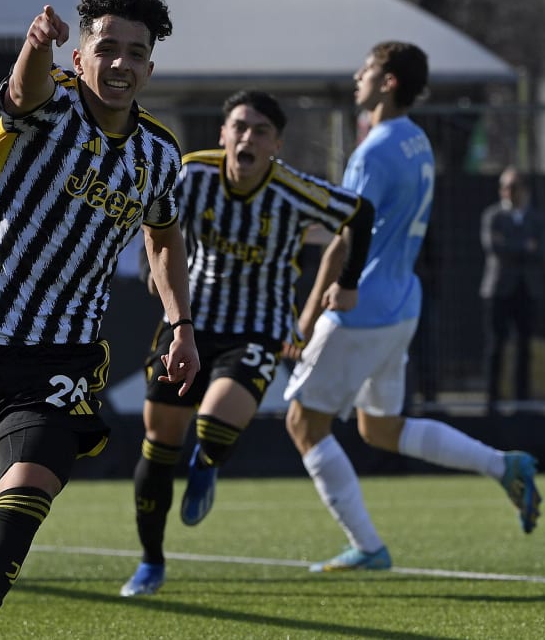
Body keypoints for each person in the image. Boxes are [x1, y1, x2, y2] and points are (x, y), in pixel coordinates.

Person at [0, 0, 199, 639]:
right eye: (108, 47)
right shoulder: (52, 108)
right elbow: (22, 92)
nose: (121, 63)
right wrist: (35, 45)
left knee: (25, 503)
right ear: (80, 57)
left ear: (151, 66)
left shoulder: (158, 154)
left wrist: (179, 321)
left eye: (136, 53)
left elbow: (164, 234)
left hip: (59, 359)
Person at [282, 41, 542, 573]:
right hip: (402, 304)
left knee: (303, 423)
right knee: (380, 428)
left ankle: (369, 547)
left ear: (390, 81)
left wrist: (306, 316)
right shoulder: (416, 141)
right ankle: (503, 464)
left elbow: (344, 237)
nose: (358, 76)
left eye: (368, 69)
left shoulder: (374, 150)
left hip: (363, 307)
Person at [119, 90, 374, 597]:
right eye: (239, 127)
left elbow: (360, 213)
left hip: (257, 330)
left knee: (214, 423)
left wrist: (347, 282)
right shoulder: (191, 174)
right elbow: (154, 220)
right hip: (189, 324)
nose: (246, 138)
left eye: (260, 131)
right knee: (159, 438)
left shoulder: (292, 191)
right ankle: (150, 562)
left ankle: (209, 462)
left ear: (276, 144)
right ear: (222, 134)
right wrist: (152, 269)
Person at [479, 166, 545, 410]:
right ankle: (492, 399)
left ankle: (523, 400)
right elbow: (495, 249)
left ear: (524, 190)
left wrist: (512, 247)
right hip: (498, 289)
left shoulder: (536, 219)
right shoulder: (492, 217)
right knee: (496, 344)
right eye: (505, 187)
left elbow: (540, 251)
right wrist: (523, 248)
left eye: (513, 187)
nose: (508, 192)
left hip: (526, 289)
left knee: (524, 346)